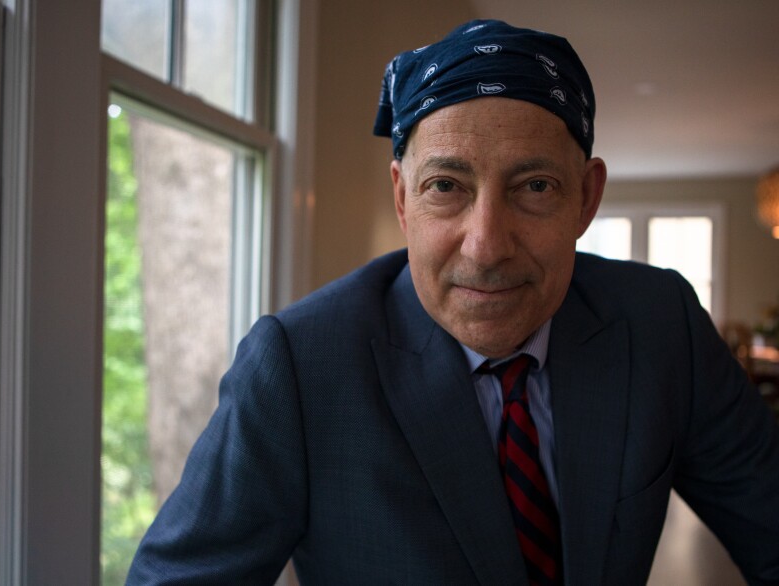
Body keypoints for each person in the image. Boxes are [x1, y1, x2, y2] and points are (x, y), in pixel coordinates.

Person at [126, 19, 779, 585]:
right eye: (446, 185)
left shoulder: (659, 322)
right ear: (403, 198)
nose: (487, 244)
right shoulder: (299, 367)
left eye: (536, 186)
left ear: (586, 199)